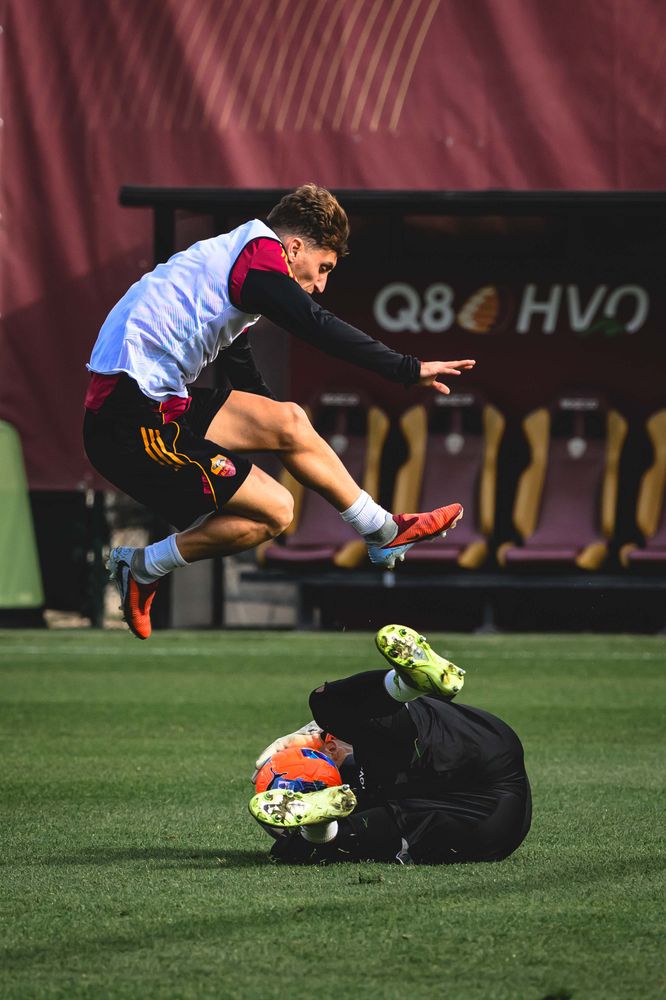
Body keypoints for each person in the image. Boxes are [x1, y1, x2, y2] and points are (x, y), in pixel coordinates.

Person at [83, 185, 475, 638]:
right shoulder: (257, 260)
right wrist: (407, 368)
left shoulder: (237, 255)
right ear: (293, 248)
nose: (321, 284)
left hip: (157, 403)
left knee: (289, 419)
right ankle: (144, 566)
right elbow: (315, 323)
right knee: (276, 512)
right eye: (322, 268)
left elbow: (236, 354)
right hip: (127, 421)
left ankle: (381, 530)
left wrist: (269, 421)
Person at [249, 624, 531, 865]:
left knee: (308, 847)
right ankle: (405, 684)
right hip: (484, 769)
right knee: (326, 703)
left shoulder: (365, 757)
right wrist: (314, 732)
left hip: (489, 826)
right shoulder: (362, 762)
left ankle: (318, 828)